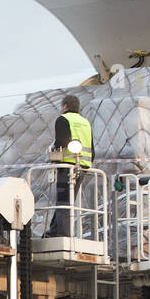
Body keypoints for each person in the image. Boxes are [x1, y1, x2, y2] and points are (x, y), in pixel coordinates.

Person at [47, 94, 94, 239]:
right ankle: (54, 229)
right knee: (68, 199)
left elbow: (61, 142)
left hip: (67, 165)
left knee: (63, 200)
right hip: (84, 165)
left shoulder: (63, 119)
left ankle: (63, 234)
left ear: (65, 106)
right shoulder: (86, 122)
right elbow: (92, 148)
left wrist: (52, 152)